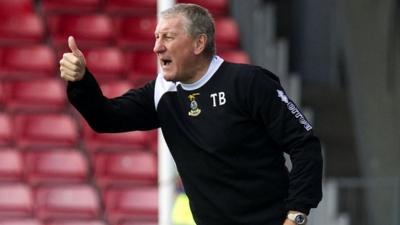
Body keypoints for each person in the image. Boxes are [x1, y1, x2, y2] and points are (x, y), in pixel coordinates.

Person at [59, 3, 323, 225]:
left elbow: (304, 145)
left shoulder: (249, 83)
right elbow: (106, 118)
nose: (157, 47)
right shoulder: (163, 93)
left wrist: (296, 215)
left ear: (199, 43)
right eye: (156, 37)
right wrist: (81, 81)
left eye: (168, 37)